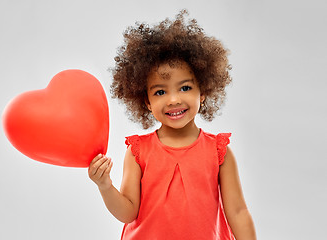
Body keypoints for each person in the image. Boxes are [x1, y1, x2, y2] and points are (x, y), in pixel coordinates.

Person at [88, 10, 256, 240]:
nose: (174, 99)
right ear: (146, 101)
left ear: (203, 91)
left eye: (185, 87)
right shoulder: (138, 152)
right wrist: (105, 185)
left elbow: (238, 212)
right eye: (160, 91)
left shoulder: (219, 152)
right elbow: (128, 212)